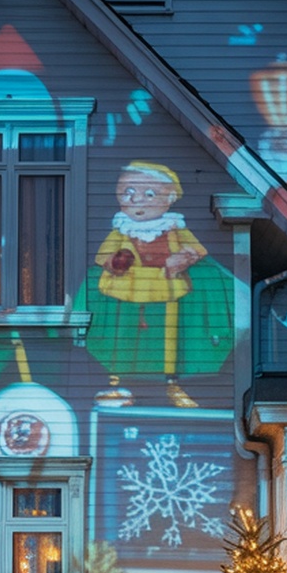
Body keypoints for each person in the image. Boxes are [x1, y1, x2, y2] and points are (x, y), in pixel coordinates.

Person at [83, 161, 233, 407]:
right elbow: (105, 257)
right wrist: (116, 261)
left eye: (148, 193)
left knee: (168, 340)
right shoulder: (122, 229)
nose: (137, 200)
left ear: (169, 198)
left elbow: (195, 251)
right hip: (126, 291)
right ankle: (116, 384)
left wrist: (183, 258)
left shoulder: (172, 228)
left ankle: (171, 384)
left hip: (165, 290)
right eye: (128, 192)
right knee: (123, 338)